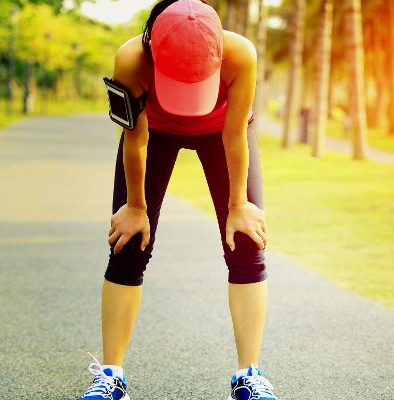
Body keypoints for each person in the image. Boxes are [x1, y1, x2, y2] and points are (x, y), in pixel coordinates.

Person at [77, 1, 277, 399]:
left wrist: (238, 204)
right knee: (128, 241)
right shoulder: (131, 59)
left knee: (246, 240)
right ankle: (111, 375)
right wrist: (135, 208)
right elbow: (136, 138)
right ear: (153, 49)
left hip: (221, 131)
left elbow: (235, 134)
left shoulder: (241, 54)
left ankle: (248, 375)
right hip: (158, 132)